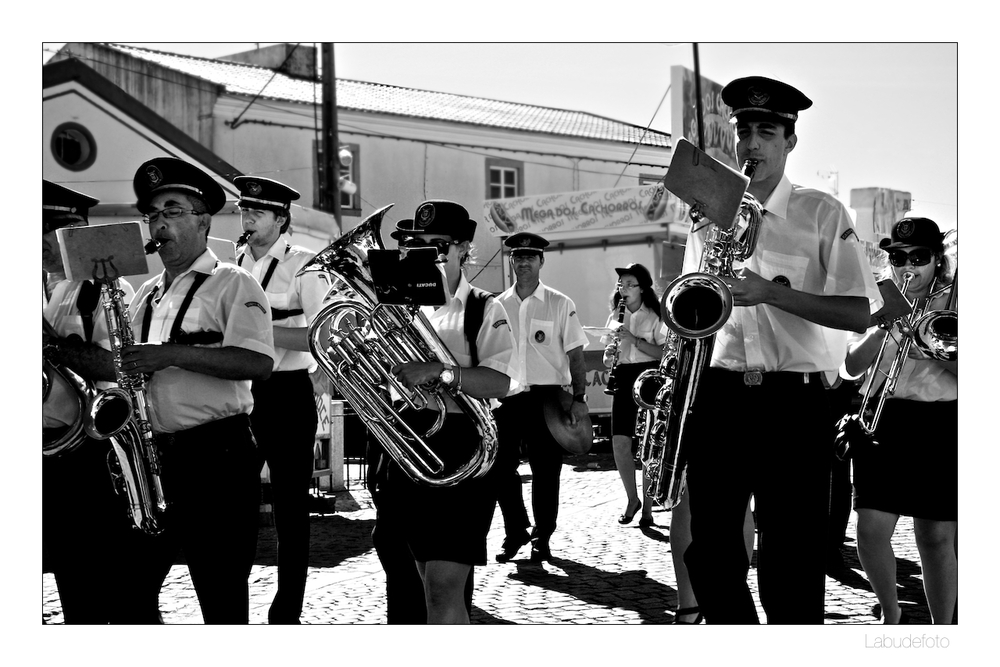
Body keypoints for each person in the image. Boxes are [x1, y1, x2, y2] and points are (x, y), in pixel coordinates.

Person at [679, 76, 881, 624]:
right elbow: (688, 310)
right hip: (722, 394)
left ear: (790, 141)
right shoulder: (708, 216)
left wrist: (768, 293)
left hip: (796, 404)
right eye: (743, 130)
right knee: (710, 552)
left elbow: (858, 312)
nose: (751, 144)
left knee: (790, 560)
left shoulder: (822, 212)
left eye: (766, 131)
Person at [118, 157, 276, 624]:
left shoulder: (234, 282)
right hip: (153, 458)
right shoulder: (144, 292)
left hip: (216, 454)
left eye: (172, 210)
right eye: (153, 214)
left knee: (221, 593)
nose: (159, 223)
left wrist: (170, 354)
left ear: (203, 221)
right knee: (129, 591)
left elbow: (258, 363)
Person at [375, 199, 519, 623]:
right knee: (418, 581)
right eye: (418, 244)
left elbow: (501, 382)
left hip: (462, 447)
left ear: (461, 249)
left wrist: (441, 372)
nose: (427, 254)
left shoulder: (484, 307)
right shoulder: (400, 306)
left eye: (437, 246)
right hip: (408, 442)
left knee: (442, 587)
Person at [42, 180, 170, 623]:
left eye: (47, 234)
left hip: (93, 453)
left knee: (119, 585)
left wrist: (50, 346)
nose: (38, 245)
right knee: (72, 583)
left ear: (70, 237)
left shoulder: (101, 294)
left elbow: (118, 366)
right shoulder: (40, 287)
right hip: (48, 450)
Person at [841, 217, 957, 624]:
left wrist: (934, 350)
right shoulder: (877, 299)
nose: (908, 265)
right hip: (882, 419)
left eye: (919, 257)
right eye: (898, 257)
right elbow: (849, 367)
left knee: (935, 536)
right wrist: (881, 329)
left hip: (941, 422)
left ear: (937, 260)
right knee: (871, 531)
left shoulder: (958, 303)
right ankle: (891, 615)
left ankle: (942, 630)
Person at [233, 175, 330, 624]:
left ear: (281, 219)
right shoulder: (231, 265)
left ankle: (288, 606)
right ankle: (232, 601)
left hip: (287, 393)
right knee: (233, 503)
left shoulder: (306, 266)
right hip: (238, 393)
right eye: (243, 210)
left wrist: (256, 332)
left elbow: (323, 335)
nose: (246, 218)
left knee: (291, 509)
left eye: (256, 211)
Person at [493, 232, 589, 563]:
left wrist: (579, 397)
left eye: (530, 258)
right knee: (498, 466)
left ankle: (542, 536)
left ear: (541, 262)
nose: (523, 263)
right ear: (512, 261)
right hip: (506, 397)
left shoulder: (561, 303)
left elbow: (575, 355)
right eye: (518, 257)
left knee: (546, 471)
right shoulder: (497, 305)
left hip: (547, 398)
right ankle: (516, 530)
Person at [600, 263, 665, 527]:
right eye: (621, 285)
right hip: (624, 376)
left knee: (650, 443)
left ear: (643, 288)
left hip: (649, 377)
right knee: (619, 442)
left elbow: (663, 354)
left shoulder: (655, 314)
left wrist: (633, 339)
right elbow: (606, 358)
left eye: (629, 285)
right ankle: (632, 499)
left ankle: (648, 506)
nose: (624, 290)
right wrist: (610, 353)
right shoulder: (617, 314)